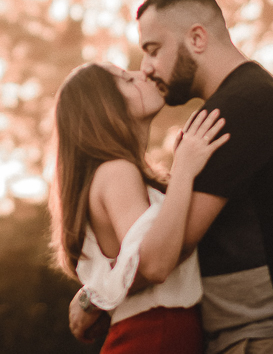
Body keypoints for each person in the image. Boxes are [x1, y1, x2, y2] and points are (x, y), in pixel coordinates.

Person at [70, 0, 273, 353]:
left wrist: (92, 298)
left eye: (154, 50)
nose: (146, 68)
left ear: (196, 39)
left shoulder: (232, 111)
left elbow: (164, 255)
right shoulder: (246, 99)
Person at [51, 60, 229, 353]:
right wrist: (184, 169)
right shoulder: (116, 172)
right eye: (127, 80)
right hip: (154, 335)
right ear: (105, 107)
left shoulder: (117, 173)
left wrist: (92, 298)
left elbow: (130, 265)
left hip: (160, 334)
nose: (142, 73)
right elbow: (155, 264)